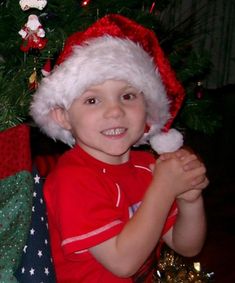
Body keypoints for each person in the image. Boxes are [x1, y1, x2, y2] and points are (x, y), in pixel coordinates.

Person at [30, 14, 209, 283]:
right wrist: (164, 188)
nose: (115, 111)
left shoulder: (146, 167)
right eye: (92, 100)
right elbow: (123, 263)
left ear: (147, 107)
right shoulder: (72, 180)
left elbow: (187, 246)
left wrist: (189, 200)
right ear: (63, 116)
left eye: (128, 96)